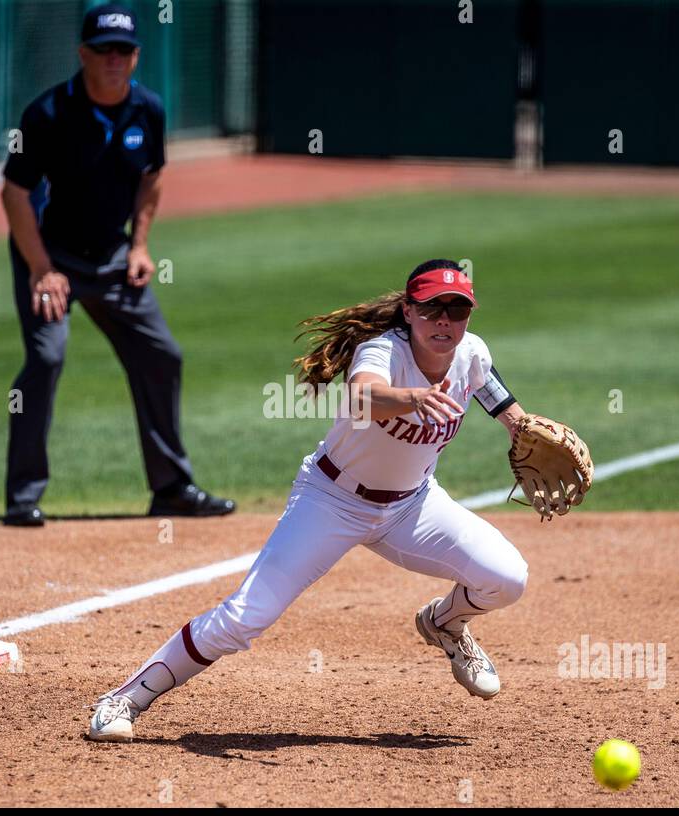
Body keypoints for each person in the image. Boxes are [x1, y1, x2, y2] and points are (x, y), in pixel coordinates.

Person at [87, 258, 588, 742]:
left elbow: (487, 383)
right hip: (330, 501)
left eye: (457, 310)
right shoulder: (382, 352)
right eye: (433, 308)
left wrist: (518, 423)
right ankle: (124, 700)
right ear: (409, 311)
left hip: (412, 507)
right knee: (246, 617)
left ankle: (444, 622)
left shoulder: (470, 351)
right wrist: (413, 398)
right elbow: (363, 396)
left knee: (507, 578)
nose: (444, 321)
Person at [0, 3, 234, 526]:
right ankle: (22, 498)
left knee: (161, 355)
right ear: (83, 54)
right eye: (102, 50)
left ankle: (171, 488)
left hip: (110, 255)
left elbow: (151, 177)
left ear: (135, 57)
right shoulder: (48, 114)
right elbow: (14, 194)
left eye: (123, 51)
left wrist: (141, 245)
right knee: (47, 358)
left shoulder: (148, 109)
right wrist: (41, 269)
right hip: (49, 255)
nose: (113, 60)